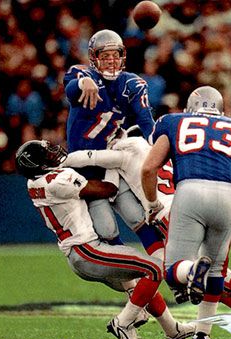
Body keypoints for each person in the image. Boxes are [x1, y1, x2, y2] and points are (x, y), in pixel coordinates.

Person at [62, 127, 231, 339]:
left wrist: (60, 162)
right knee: (215, 278)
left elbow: (88, 157)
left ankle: (127, 319)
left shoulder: (126, 152)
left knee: (219, 279)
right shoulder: (161, 149)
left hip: (174, 216)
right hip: (196, 206)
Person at [15, 139, 199, 339]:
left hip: (78, 254)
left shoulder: (33, 183)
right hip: (88, 251)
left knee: (139, 285)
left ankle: (172, 329)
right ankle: (123, 322)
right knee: (155, 269)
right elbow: (107, 190)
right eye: (47, 154)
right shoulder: (59, 181)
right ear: (39, 165)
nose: (53, 153)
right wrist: (113, 165)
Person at [141, 86, 231, 339]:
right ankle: (202, 338)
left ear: (190, 107)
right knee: (217, 272)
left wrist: (152, 204)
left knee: (173, 270)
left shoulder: (172, 122)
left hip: (189, 191)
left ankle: (191, 271)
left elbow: (149, 167)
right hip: (227, 196)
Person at [62, 29, 164, 261]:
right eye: (105, 56)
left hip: (111, 163)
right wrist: (84, 82)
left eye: (115, 55)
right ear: (94, 58)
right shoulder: (83, 75)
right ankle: (134, 275)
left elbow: (146, 122)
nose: (111, 60)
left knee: (137, 217)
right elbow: (71, 87)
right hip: (84, 168)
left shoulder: (132, 84)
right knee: (107, 230)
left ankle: (165, 267)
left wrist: (158, 149)